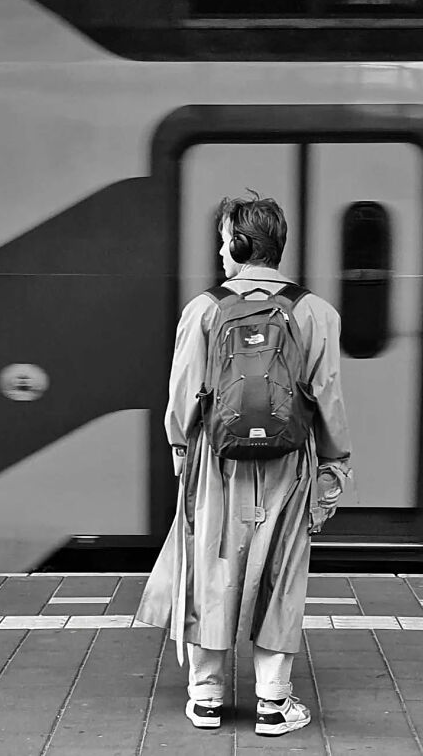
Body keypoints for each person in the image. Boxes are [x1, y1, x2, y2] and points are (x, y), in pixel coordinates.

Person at [136, 193, 352, 736]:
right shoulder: (316, 312)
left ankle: (207, 696)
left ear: (237, 244)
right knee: (281, 576)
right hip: (290, 461)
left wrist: (182, 451)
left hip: (217, 458)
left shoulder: (204, 310)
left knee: (212, 566)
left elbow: (182, 397)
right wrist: (333, 469)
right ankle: (273, 703)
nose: (219, 251)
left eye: (222, 241)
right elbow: (328, 398)